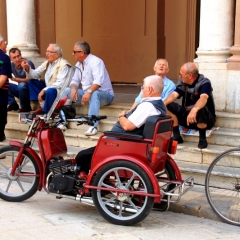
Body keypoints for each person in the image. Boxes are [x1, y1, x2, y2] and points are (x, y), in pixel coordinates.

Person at [76, 75, 166, 174]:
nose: (142, 90)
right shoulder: (160, 104)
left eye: (143, 87)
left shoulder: (147, 106)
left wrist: (121, 116)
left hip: (120, 144)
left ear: (149, 90)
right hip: (129, 142)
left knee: (82, 156)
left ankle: (85, 183)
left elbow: (127, 126)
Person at [61, 41, 114, 136]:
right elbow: (74, 81)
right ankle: (63, 120)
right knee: (66, 91)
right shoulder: (78, 64)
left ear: (82, 53)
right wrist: (73, 89)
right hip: (87, 93)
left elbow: (98, 82)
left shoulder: (96, 61)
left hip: (105, 95)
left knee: (94, 93)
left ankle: (93, 125)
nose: (72, 54)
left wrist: (89, 92)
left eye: (74, 51)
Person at [164, 62, 216, 149]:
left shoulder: (205, 82)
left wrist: (194, 110)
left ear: (190, 75)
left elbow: (203, 98)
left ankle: (202, 139)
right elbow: (174, 95)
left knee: (201, 107)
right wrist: (163, 103)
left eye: (181, 74)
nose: (179, 76)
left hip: (206, 120)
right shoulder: (183, 81)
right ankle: (177, 136)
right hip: (187, 118)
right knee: (168, 104)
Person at [21, 44, 71, 115]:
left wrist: (44, 89)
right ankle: (41, 106)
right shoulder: (47, 63)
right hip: (49, 88)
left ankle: (48, 112)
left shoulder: (64, 65)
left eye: (50, 52)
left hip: (59, 91)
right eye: (46, 51)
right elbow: (34, 74)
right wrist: (27, 68)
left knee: (50, 91)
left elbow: (61, 84)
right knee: (32, 82)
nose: (47, 54)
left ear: (57, 54)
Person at [7, 48, 46, 112]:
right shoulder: (12, 65)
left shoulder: (27, 63)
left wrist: (15, 79)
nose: (17, 59)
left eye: (18, 56)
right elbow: (5, 74)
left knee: (21, 85)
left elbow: (30, 80)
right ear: (11, 59)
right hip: (21, 91)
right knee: (4, 85)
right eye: (14, 57)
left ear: (21, 55)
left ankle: (25, 107)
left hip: (30, 90)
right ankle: (12, 103)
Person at [0, 35, 11, 145]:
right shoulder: (4, 58)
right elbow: (3, 78)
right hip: (1, 96)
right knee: (1, 119)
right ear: (1, 43)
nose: (6, 45)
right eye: (5, 43)